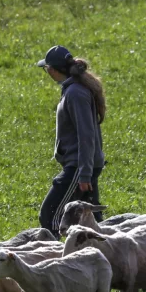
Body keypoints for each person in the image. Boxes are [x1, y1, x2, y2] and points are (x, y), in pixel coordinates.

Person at [35, 45, 106, 236]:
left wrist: (84, 174)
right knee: (92, 220)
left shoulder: (75, 93)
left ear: (52, 70)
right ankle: (105, 251)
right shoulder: (74, 89)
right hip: (82, 165)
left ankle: (51, 253)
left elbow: (86, 135)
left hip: (78, 167)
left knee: (51, 216)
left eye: (46, 68)